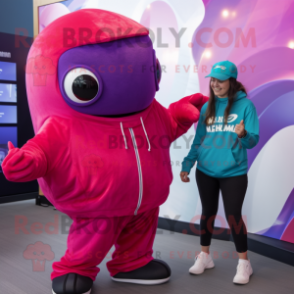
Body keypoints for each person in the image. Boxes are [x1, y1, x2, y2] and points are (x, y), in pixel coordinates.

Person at [180, 60, 259, 285]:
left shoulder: (246, 107)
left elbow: (253, 142)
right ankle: (205, 256)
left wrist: (243, 134)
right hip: (205, 169)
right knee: (208, 213)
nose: (215, 84)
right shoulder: (207, 107)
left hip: (233, 171)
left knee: (234, 216)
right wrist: (187, 164)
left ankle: (244, 263)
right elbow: (199, 140)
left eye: (220, 80)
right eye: (212, 79)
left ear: (231, 82)